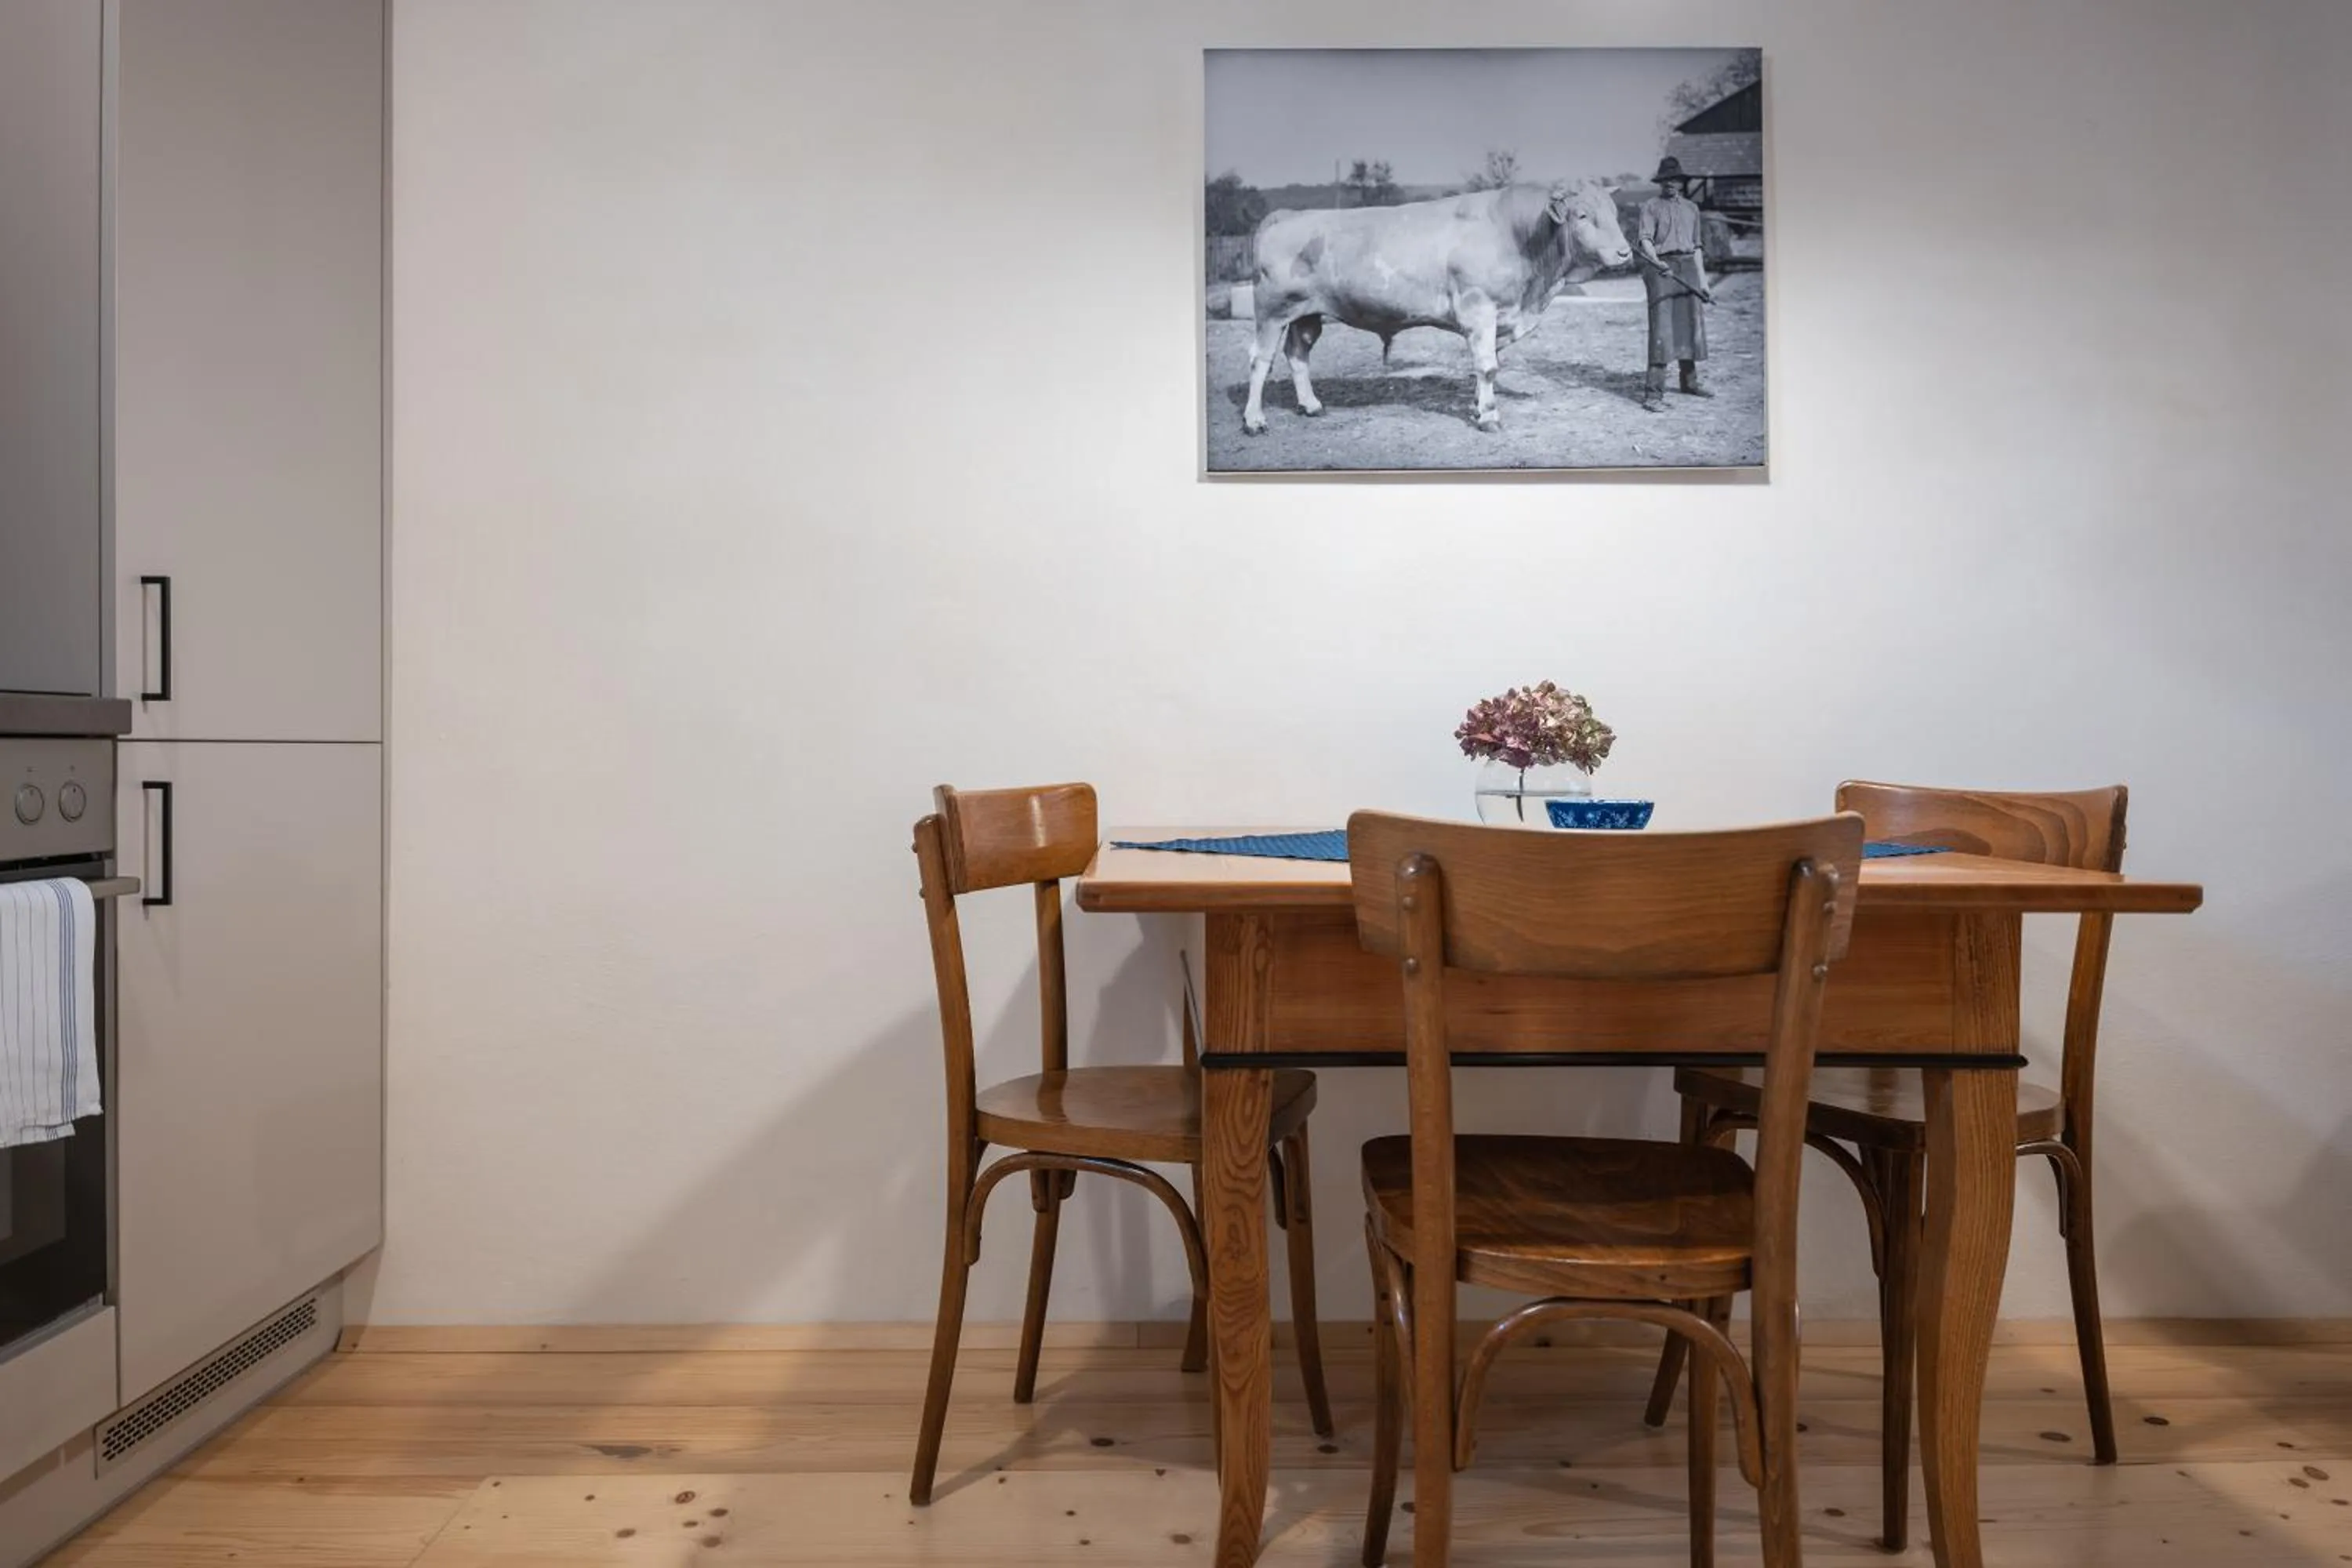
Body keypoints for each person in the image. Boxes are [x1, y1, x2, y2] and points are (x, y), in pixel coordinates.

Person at [1635, 155, 1714, 413]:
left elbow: (1698, 247)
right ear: (1660, 182)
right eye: (1666, 179)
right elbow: (1645, 239)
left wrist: (1703, 282)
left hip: (1688, 268)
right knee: (1662, 330)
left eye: (1675, 179)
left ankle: (1689, 383)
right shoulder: (1650, 206)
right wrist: (1657, 262)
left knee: (1689, 324)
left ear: (1681, 182)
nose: (1671, 183)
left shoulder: (1692, 209)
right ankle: (1653, 393)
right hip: (1661, 270)